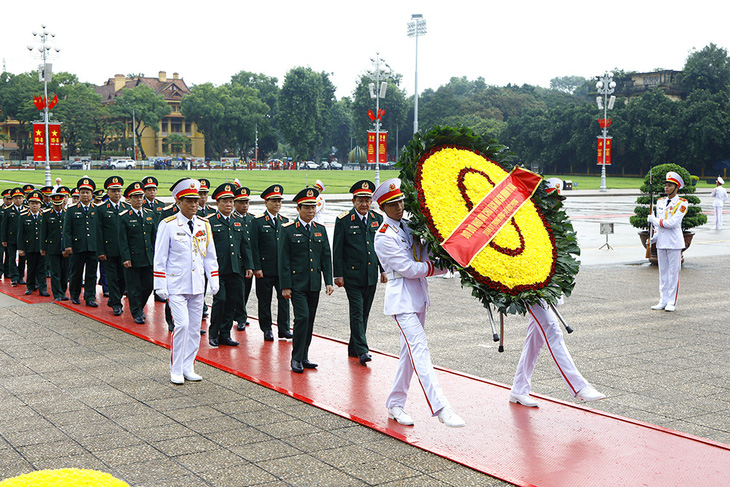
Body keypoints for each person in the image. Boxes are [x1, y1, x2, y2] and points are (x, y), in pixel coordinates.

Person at [373, 178, 465, 428]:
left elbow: (423, 254)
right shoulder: (383, 236)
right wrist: (439, 268)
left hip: (419, 298)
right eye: (392, 204)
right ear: (382, 208)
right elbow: (408, 268)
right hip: (401, 300)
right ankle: (442, 407)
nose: (399, 206)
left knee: (408, 354)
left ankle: (395, 404)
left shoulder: (410, 226)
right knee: (419, 348)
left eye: (401, 201)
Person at [509, 178, 605, 408]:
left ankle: (519, 389)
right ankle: (578, 386)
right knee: (552, 330)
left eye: (558, 199)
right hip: (529, 289)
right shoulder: (526, 221)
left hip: (547, 288)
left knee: (535, 340)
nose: (556, 204)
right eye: (551, 199)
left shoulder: (555, 223)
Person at [154, 178, 219, 385]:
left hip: (197, 285)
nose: (194, 205)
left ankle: (188, 366)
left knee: (194, 328)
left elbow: (210, 256)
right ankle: (175, 368)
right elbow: (160, 258)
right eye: (189, 201)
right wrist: (160, 285)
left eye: (196, 200)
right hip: (176, 285)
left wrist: (214, 279)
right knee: (181, 325)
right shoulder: (168, 225)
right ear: (178, 202)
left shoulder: (204, 224)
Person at [279, 188, 334, 373]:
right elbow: (283, 260)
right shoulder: (287, 230)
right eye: (307, 207)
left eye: (313, 207)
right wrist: (285, 286)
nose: (311, 211)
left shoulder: (320, 230)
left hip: (313, 283)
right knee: (302, 318)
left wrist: (328, 281)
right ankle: (295, 358)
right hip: (296, 284)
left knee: (309, 320)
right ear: (298, 208)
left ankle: (304, 355)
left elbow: (326, 257)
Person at [333, 179, 386, 365]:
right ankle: (363, 350)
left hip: (370, 274)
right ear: (353, 201)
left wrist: (383, 270)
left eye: (367, 200)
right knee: (356, 311)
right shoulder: (344, 220)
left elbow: (380, 248)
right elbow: (337, 249)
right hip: (352, 275)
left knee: (364, 313)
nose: (364, 204)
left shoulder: (377, 219)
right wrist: (337, 274)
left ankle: (353, 347)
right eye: (360, 200)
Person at [208, 183, 252, 347]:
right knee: (220, 301)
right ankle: (214, 334)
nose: (229, 205)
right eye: (225, 201)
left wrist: (249, 266)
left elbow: (245, 245)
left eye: (231, 201)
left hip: (236, 268)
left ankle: (225, 334)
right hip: (218, 270)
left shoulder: (239, 221)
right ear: (217, 203)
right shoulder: (210, 221)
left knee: (232, 302)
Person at [250, 184, 292, 342]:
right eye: (274, 201)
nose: (277, 204)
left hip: (281, 270)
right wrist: (256, 267)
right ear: (266, 202)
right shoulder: (258, 221)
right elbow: (253, 246)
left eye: (279, 201)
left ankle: (284, 328)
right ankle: (266, 329)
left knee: (284, 299)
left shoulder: (285, 221)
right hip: (265, 269)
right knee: (265, 300)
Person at [648, 171, 688, 312]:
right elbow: (659, 227)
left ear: (676, 188)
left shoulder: (682, 203)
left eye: (670, 185)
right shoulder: (660, 202)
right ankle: (662, 300)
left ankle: (671, 302)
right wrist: (654, 237)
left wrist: (655, 220)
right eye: (665, 185)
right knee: (663, 273)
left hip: (674, 243)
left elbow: (672, 223)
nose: (666, 188)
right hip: (662, 242)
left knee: (673, 274)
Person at [118, 182, 157, 324]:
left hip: (148, 257)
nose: (139, 199)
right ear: (129, 199)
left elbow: (154, 237)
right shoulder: (124, 216)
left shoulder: (149, 214)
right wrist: (126, 257)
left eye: (140, 197)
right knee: (134, 288)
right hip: (133, 258)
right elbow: (122, 240)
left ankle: (139, 307)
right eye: (135, 197)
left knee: (148, 285)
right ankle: (136, 312)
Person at [64, 177, 100, 307]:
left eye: (87, 192)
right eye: (83, 192)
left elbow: (100, 230)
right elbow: (67, 230)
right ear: (78, 194)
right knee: (76, 273)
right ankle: (74, 294)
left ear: (92, 195)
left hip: (93, 247)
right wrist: (68, 246)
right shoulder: (72, 209)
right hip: (77, 247)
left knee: (92, 274)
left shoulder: (97, 209)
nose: (85, 195)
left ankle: (90, 296)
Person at [96, 176, 129, 316]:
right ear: (108, 192)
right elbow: (98, 231)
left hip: (123, 251)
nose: (116, 194)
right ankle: (116, 303)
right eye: (113, 191)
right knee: (112, 277)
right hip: (109, 250)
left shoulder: (126, 207)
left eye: (119, 191)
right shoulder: (101, 209)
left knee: (124, 278)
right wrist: (101, 250)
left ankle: (115, 298)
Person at [17, 190, 50, 296]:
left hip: (42, 247)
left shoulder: (44, 215)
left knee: (42, 269)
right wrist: (21, 248)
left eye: (37, 203)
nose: (34, 205)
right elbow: (20, 234)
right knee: (31, 268)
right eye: (32, 203)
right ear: (28, 204)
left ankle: (42, 288)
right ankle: (30, 287)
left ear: (40, 204)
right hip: (30, 246)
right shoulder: (23, 216)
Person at [41, 186, 71, 301]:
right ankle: (57, 294)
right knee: (55, 272)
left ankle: (63, 291)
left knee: (64, 272)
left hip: (65, 247)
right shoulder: (47, 214)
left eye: (60, 204)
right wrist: (43, 247)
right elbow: (44, 232)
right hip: (52, 247)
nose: (58, 207)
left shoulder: (67, 213)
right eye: (56, 205)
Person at [233, 186, 254, 331]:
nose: (244, 205)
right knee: (238, 290)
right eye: (241, 202)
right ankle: (241, 317)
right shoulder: (231, 218)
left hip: (248, 261)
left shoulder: (253, 219)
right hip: (235, 261)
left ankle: (240, 313)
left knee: (246, 289)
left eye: (246, 202)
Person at [2, 188, 27, 287]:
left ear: (23, 199)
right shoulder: (8, 211)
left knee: (22, 258)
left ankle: (21, 276)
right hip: (11, 238)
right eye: (16, 198)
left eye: (20, 198)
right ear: (12, 199)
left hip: (23, 239)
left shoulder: (26, 210)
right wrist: (4, 239)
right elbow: (4, 226)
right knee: (11, 258)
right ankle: (14, 277)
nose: (18, 200)